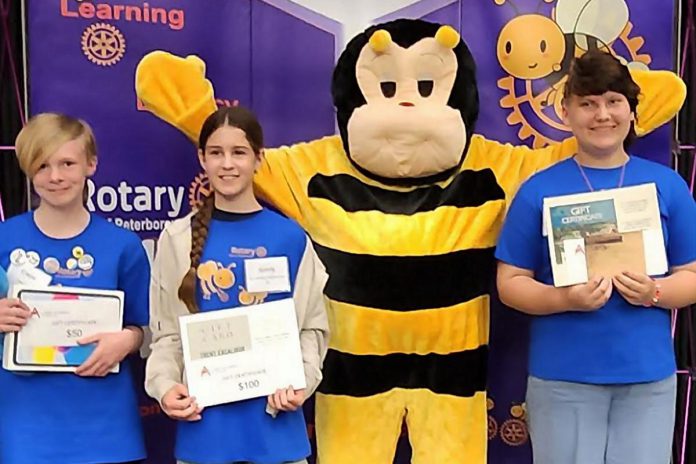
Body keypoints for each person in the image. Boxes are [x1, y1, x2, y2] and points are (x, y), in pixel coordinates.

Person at [495, 49, 696, 464]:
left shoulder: (668, 186)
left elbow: (691, 275)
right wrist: (564, 299)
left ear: (631, 111)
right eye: (587, 103)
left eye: (613, 102)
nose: (602, 114)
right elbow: (510, 283)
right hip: (562, 378)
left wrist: (654, 291)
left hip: (647, 378)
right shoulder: (537, 189)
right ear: (567, 112)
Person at [145, 106, 330, 464]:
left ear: (259, 159)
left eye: (239, 153)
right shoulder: (177, 238)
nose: (227, 164)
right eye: (216, 153)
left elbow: (312, 328)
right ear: (202, 158)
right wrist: (166, 387)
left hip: (276, 435)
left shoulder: (290, 237)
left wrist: (301, 381)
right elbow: (166, 333)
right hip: (205, 436)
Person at [0, 113, 150, 464]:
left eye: (67, 163)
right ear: (28, 171)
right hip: (23, 430)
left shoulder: (123, 246)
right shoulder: (3, 240)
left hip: (106, 431)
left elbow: (150, 328)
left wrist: (128, 340)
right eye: (42, 166)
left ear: (91, 165)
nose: (55, 177)